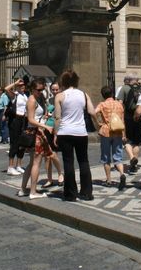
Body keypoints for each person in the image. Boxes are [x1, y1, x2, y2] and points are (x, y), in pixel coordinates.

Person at [53, 69, 97, 202]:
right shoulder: (84, 95)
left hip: (65, 132)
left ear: (63, 82)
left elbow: (57, 117)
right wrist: (98, 124)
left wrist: (55, 133)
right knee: (83, 161)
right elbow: (92, 112)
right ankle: (86, 192)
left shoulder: (59, 96)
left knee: (68, 162)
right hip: (80, 132)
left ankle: (70, 194)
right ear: (76, 81)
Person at [17, 79, 54, 199]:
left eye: (42, 89)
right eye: (38, 90)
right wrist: (45, 126)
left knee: (32, 163)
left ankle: (23, 189)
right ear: (32, 89)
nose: (41, 91)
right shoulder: (32, 100)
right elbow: (31, 119)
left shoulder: (37, 98)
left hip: (36, 131)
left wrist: (44, 117)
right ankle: (33, 192)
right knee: (36, 164)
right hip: (35, 132)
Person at [94, 86, 127, 191]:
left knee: (106, 157)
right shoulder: (119, 104)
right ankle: (122, 174)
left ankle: (108, 180)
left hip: (106, 131)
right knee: (118, 156)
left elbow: (93, 112)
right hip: (118, 132)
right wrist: (124, 134)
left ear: (103, 95)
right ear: (112, 94)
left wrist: (98, 123)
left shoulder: (102, 104)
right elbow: (122, 120)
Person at [42, 82, 63, 188]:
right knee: (47, 156)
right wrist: (45, 116)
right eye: (53, 89)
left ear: (60, 89)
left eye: (56, 89)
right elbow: (47, 113)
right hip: (47, 128)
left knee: (53, 154)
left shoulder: (63, 100)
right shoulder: (49, 101)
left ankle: (60, 174)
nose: (55, 91)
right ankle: (49, 179)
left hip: (57, 129)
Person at [121, 74, 141, 174]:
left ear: (128, 80)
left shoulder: (124, 88)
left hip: (128, 118)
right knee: (136, 142)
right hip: (139, 118)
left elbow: (120, 103)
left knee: (127, 141)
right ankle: (134, 165)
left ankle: (131, 158)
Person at [5, 79, 27, 176]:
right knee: (14, 143)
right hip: (15, 120)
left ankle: (19, 165)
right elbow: (6, 89)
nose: (22, 86)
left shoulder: (25, 95)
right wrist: (15, 83)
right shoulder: (15, 95)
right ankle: (10, 167)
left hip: (23, 120)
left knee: (22, 143)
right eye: (20, 85)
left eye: (23, 85)